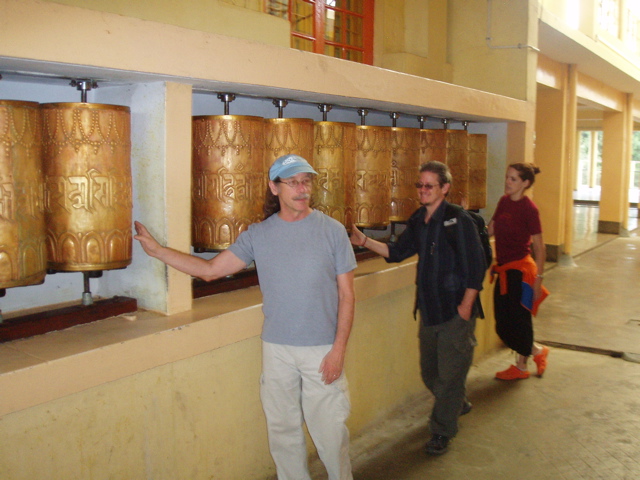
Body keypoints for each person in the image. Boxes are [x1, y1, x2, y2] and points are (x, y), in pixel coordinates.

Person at [134, 154, 357, 480]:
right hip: (277, 348)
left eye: (306, 181)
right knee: (283, 431)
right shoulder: (259, 235)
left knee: (330, 432)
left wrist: (338, 350)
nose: (301, 189)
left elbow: (347, 296)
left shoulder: (332, 231)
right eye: (292, 182)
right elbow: (210, 270)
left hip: (321, 348)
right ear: (274, 187)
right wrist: (158, 251)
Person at [350, 161, 486, 456]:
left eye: (429, 186)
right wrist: (364, 241)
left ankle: (442, 431)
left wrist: (465, 305)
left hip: (455, 311)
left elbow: (477, 266)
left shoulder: (458, 220)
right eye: (420, 186)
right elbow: (397, 252)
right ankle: (455, 401)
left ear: (445, 188)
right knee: (430, 372)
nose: (423, 191)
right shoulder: (418, 220)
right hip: (429, 310)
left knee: (450, 375)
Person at [488, 162, 550, 381]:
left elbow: (539, 247)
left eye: (513, 179)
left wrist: (537, 281)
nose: (507, 182)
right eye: (507, 177)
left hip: (521, 272)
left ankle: (521, 366)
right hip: (504, 270)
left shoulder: (529, 209)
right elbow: (491, 229)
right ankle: (537, 351)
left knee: (520, 321)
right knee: (503, 325)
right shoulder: (504, 202)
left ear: (525, 183)